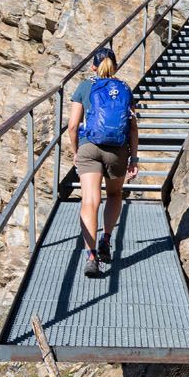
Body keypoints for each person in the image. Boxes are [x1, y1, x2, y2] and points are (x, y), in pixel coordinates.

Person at [68, 47, 138, 277]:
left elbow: (72, 125)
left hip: (89, 147)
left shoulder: (85, 86)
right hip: (117, 151)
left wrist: (76, 150)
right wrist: (133, 157)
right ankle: (106, 240)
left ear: (93, 66)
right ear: (115, 66)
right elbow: (133, 126)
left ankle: (90, 257)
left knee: (90, 200)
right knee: (115, 195)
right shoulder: (125, 88)